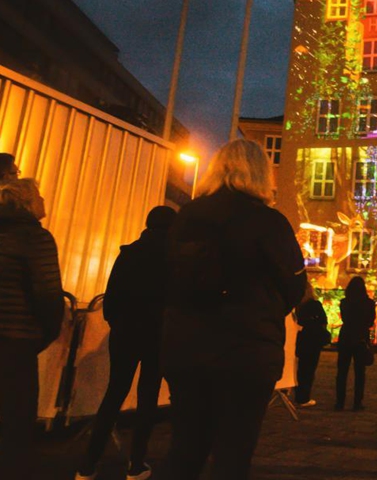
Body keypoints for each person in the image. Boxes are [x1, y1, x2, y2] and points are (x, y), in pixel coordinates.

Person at [162, 139, 306, 480]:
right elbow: (294, 286)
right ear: (261, 173)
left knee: (185, 448)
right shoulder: (268, 222)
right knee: (233, 453)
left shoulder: (187, 216)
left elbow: (168, 276)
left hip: (187, 347)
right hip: (247, 351)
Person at [75, 206, 176, 480]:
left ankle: (87, 465)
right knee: (148, 397)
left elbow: (112, 296)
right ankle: (136, 464)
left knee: (114, 392)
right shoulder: (173, 257)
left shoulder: (128, 253)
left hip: (126, 333)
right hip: (157, 335)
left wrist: (117, 322)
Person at [0, 179, 63, 479]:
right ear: (28, 201)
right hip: (16, 342)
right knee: (17, 422)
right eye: (39, 195)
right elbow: (48, 295)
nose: (43, 200)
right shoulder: (35, 237)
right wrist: (44, 334)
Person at [335, 276, 375, 412]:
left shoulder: (344, 302)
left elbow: (345, 319)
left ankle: (340, 402)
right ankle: (357, 402)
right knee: (360, 373)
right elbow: (370, 322)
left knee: (342, 372)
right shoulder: (369, 303)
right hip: (361, 339)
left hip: (346, 337)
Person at [294, 282, 331, 407]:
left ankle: (296, 393)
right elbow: (323, 320)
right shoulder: (315, 305)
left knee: (299, 369)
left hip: (300, 339)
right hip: (313, 341)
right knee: (308, 370)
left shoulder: (297, 306)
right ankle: (303, 397)